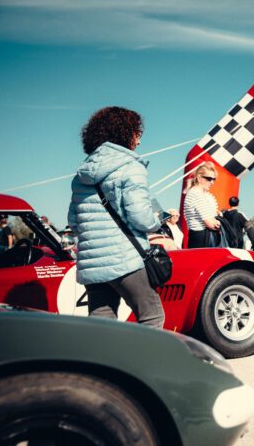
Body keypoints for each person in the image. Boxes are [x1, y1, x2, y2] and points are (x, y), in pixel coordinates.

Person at [67, 106, 164, 328]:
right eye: (137, 134)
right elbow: (140, 217)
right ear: (125, 133)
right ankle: (144, 363)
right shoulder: (131, 166)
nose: (138, 141)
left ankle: (102, 363)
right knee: (152, 315)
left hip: (92, 264)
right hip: (125, 259)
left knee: (102, 325)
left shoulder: (80, 176)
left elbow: (74, 221)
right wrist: (157, 221)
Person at [183, 162, 221, 248]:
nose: (212, 182)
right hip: (202, 239)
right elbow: (211, 224)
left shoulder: (195, 192)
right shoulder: (197, 194)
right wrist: (220, 221)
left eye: (214, 179)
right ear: (199, 178)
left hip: (198, 237)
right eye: (209, 179)